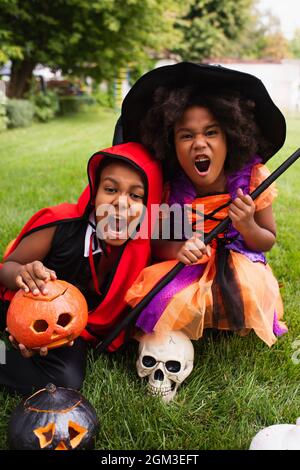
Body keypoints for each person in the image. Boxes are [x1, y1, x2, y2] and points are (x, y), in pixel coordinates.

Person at [123, 62, 287, 347]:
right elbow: (160, 245)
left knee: (250, 291)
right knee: (158, 295)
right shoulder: (171, 188)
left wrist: (247, 225)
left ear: (231, 136)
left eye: (211, 132)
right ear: (170, 143)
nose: (199, 143)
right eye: (186, 135)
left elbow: (266, 240)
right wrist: (179, 248)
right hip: (189, 263)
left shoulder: (251, 180)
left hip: (239, 261)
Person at [0, 142, 163, 395]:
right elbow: (6, 268)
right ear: (94, 193)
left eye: (136, 195)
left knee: (66, 380)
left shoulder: (142, 246)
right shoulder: (60, 224)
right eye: (110, 189)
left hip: (68, 332)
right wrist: (22, 274)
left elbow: (177, 239)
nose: (121, 203)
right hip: (17, 304)